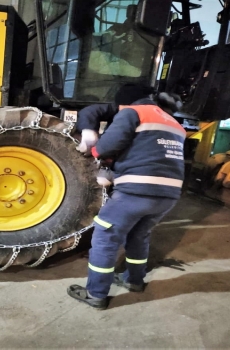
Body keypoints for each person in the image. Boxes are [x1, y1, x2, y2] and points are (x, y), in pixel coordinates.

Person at [67, 88, 186, 310]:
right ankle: (134, 280)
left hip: (136, 192)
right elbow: (150, 154)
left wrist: (92, 150)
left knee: (105, 237)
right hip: (169, 195)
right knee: (139, 235)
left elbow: (107, 146)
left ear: (123, 104)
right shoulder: (175, 124)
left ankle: (96, 293)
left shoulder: (133, 113)